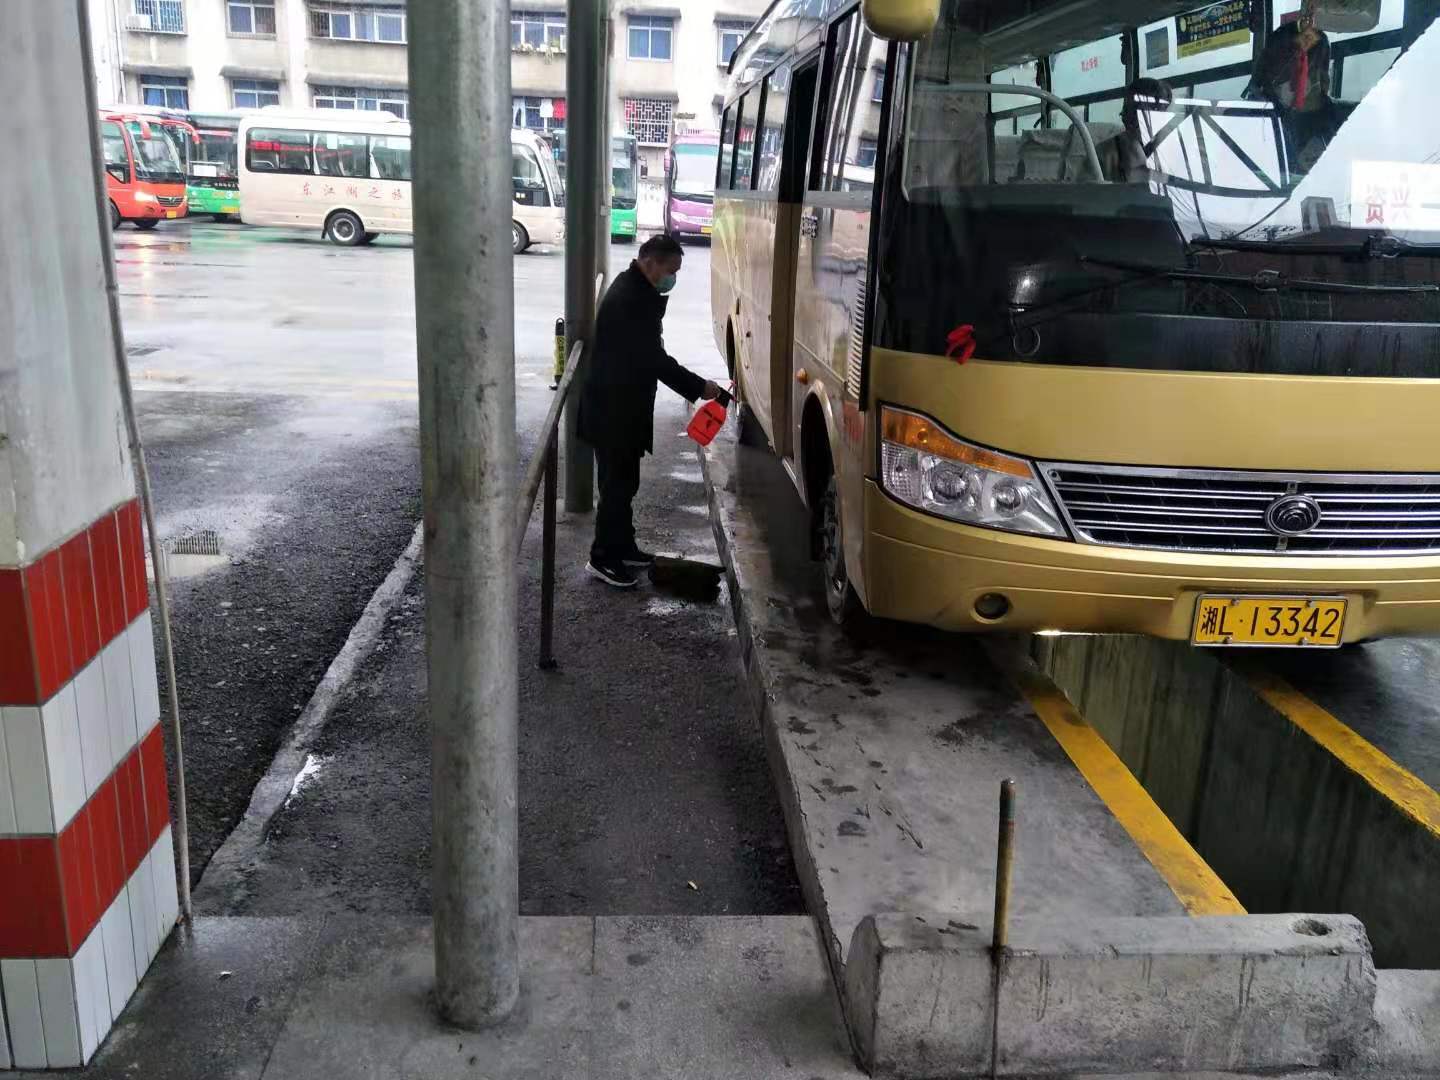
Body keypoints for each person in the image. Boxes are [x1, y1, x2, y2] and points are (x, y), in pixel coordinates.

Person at [578, 232, 720, 589]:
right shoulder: (630, 298)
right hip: (613, 410)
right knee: (615, 487)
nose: (670, 278)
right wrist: (699, 386)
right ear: (649, 261)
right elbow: (653, 359)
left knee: (624, 484)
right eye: (669, 270)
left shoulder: (637, 290)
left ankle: (622, 546)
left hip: (622, 407)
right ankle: (603, 558)